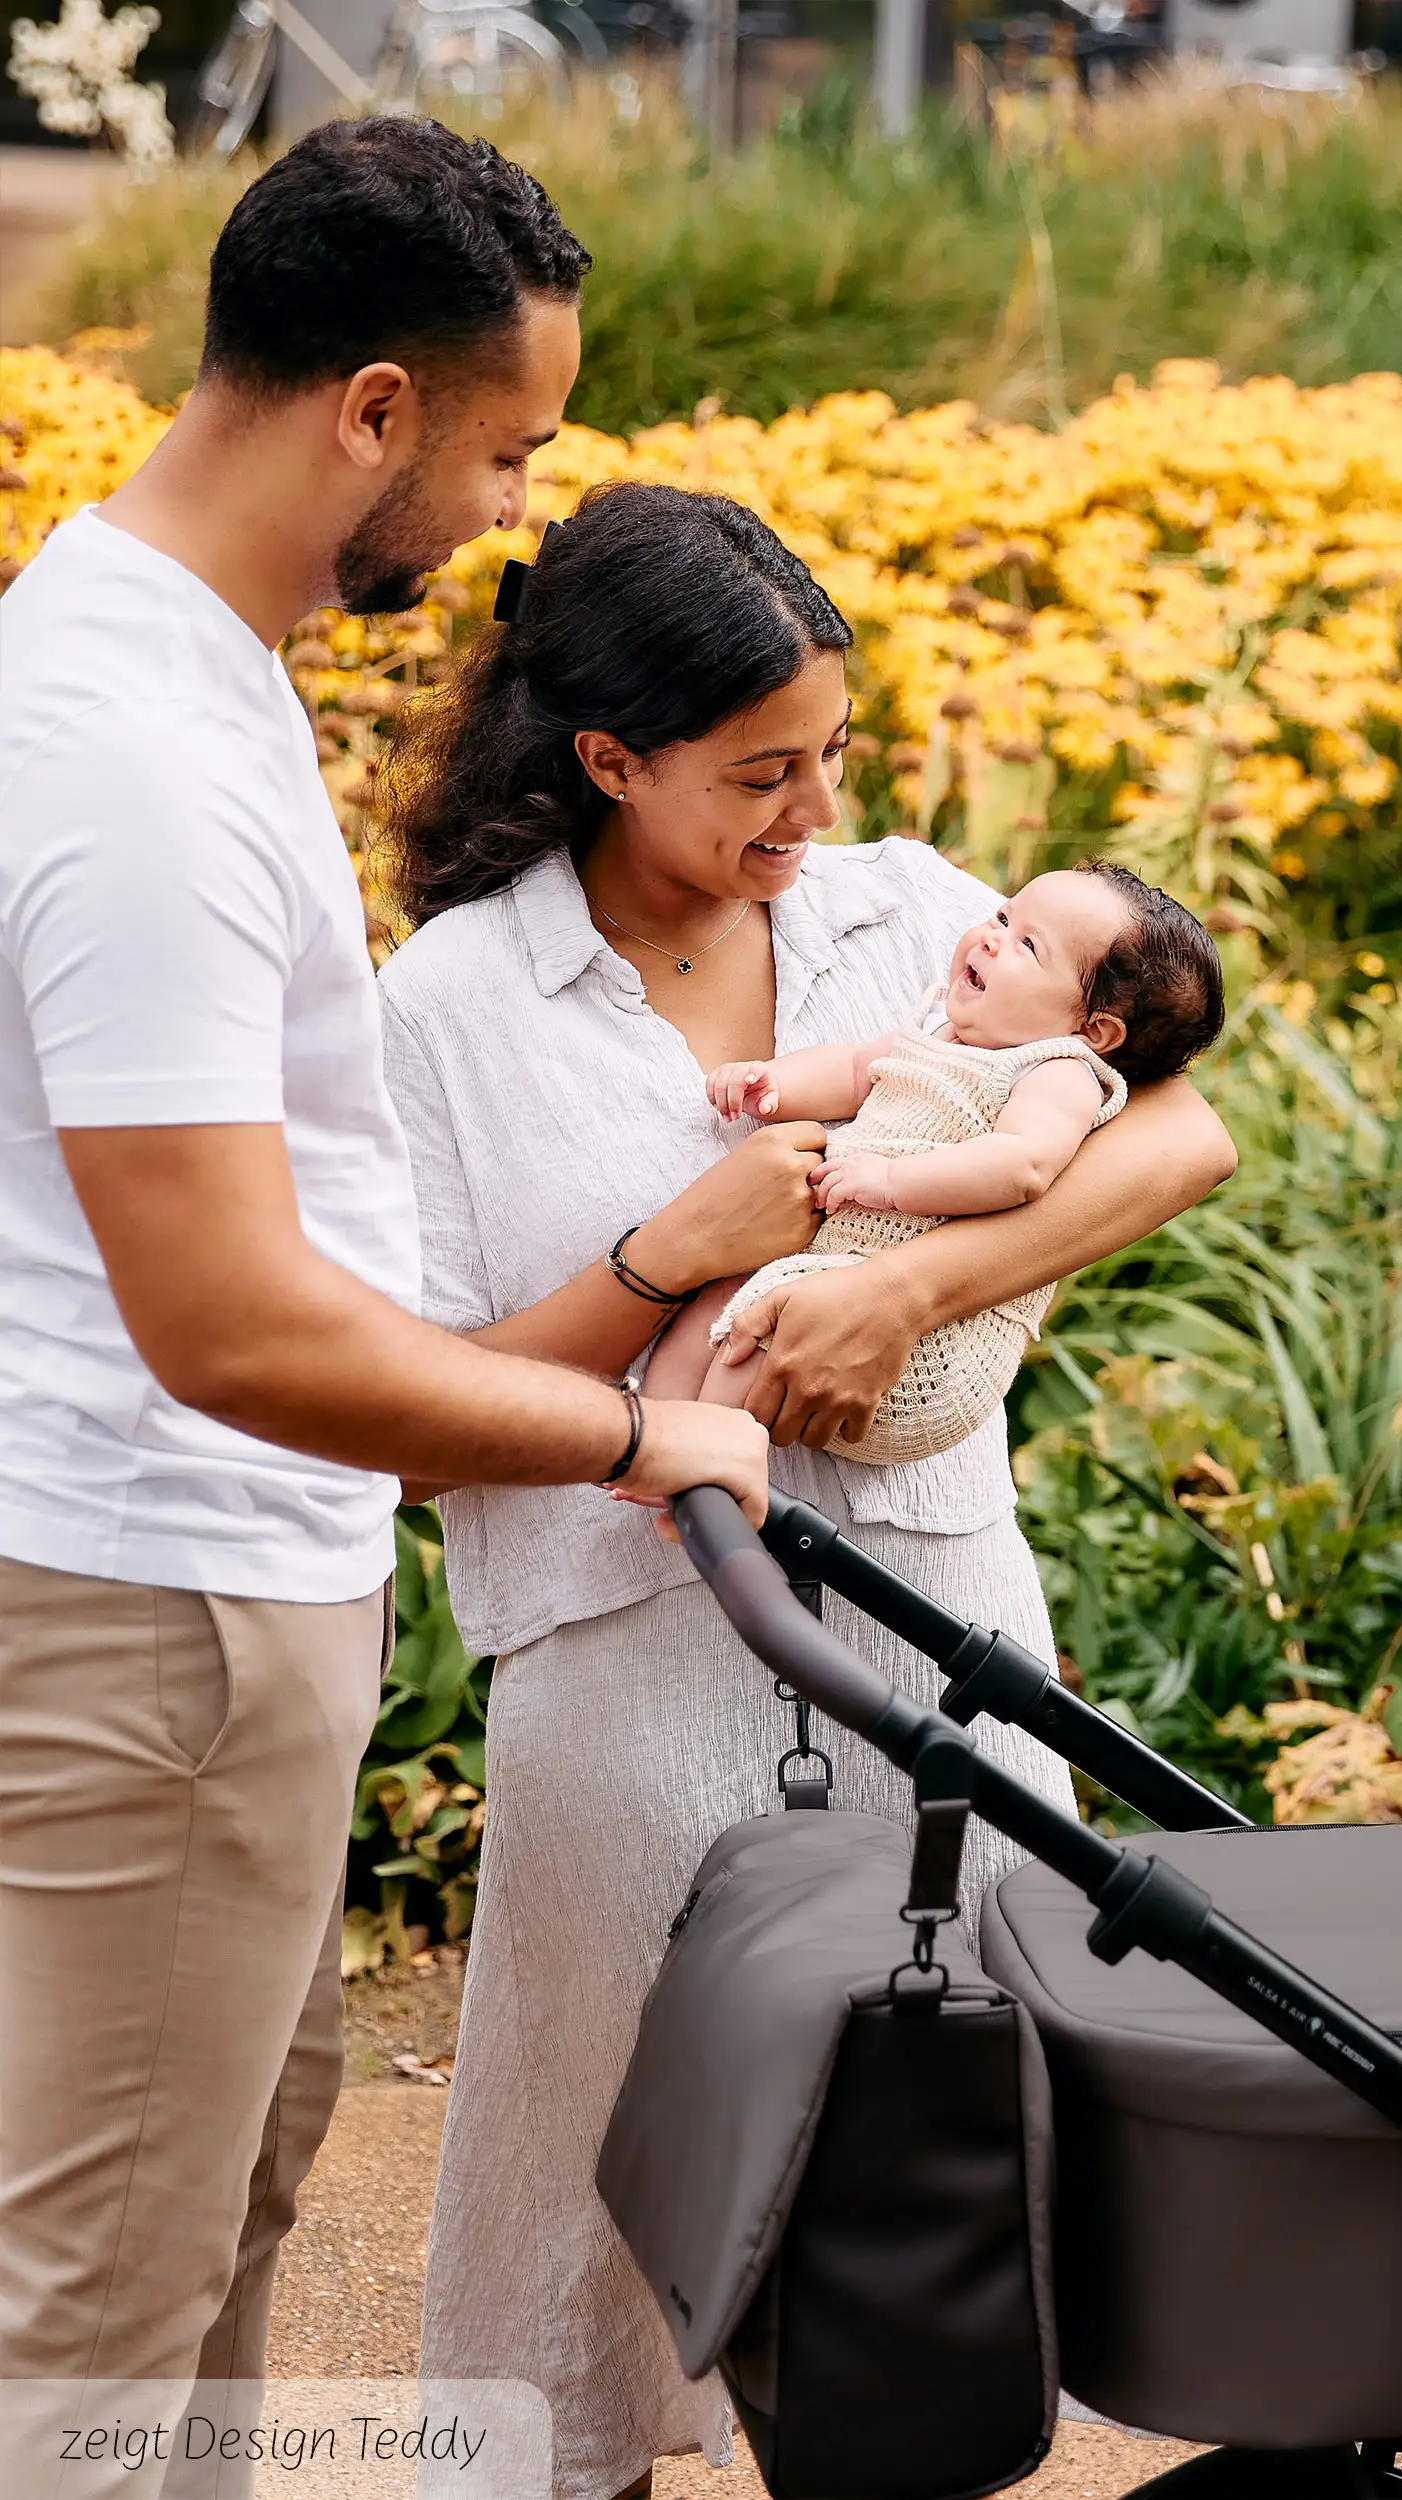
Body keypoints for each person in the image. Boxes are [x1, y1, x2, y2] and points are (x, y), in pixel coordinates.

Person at [0, 119, 771, 2451]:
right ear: (369, 410)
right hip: (160, 1609)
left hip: (206, 1601)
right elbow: (223, 1319)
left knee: (206, 2227)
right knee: (93, 2331)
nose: (523, 507)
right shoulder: (130, 747)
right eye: (513, 448)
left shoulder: (174, 655)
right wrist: (644, 1428)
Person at [369, 479, 1235, 2500]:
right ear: (607, 757)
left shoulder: (896, 911)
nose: (813, 811)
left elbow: (1164, 1133)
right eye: (761, 773)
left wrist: (915, 1283)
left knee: (939, 2169)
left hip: (940, 1631)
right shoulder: (450, 1009)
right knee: (588, 2188)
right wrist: (670, 1254)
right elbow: (422, 1412)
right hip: (629, 1650)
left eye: (830, 752)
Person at [656, 860, 1225, 1460]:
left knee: (756, 1336)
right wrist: (771, 1082)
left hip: (929, 1352)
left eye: (1028, 945)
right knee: (713, 1310)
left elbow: (1021, 1167)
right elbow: (854, 1070)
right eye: (1004, 915)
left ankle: (701, 1468)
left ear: (1094, 1030)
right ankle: (651, 1434)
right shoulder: (942, 1033)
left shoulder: (1059, 1073)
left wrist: (892, 1180)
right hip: (836, 1273)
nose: (990, 935)